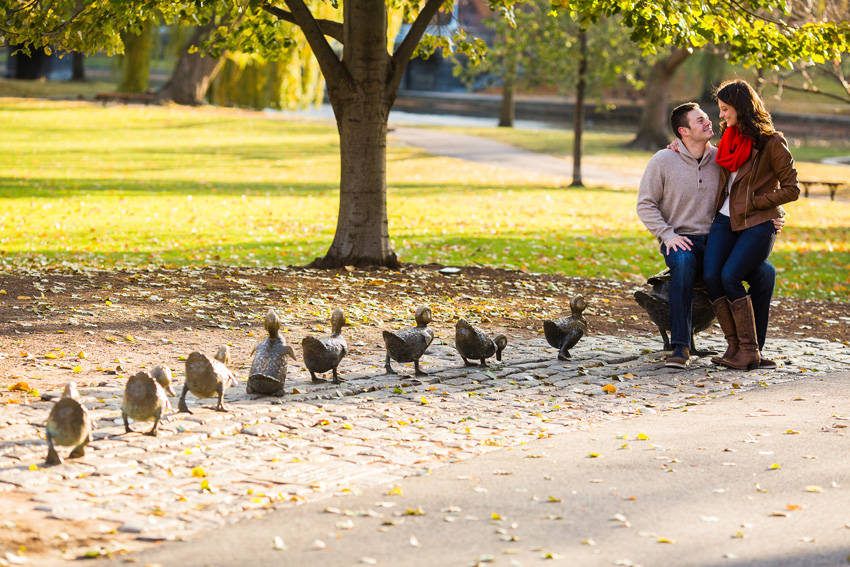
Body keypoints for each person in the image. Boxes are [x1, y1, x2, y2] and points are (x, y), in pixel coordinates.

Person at [637, 102, 779, 369]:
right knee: (684, 262)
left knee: (766, 273)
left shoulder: (723, 158)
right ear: (684, 131)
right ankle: (680, 347)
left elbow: (753, 187)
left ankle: (753, 348)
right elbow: (645, 204)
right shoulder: (662, 160)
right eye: (700, 120)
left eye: (706, 117)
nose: (709, 122)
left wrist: (774, 213)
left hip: (721, 240)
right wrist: (667, 235)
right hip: (681, 239)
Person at [703, 79, 799, 370]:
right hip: (724, 219)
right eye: (720, 110)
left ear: (741, 107)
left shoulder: (771, 142)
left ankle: (749, 350)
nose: (721, 115)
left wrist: (759, 202)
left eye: (725, 109)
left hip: (758, 221)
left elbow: (792, 188)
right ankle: (735, 346)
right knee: (711, 276)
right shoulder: (728, 140)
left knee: (731, 275)